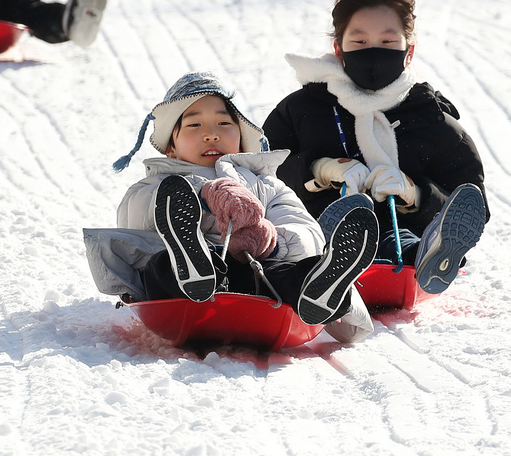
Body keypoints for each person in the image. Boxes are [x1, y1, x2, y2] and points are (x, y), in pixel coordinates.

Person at [86, 72, 377, 335]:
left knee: (300, 269)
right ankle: (195, 265)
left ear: (241, 139)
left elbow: (305, 229)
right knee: (162, 265)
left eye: (224, 123)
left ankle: (319, 290)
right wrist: (202, 198)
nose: (211, 133)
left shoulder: (265, 184)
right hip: (191, 288)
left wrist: (272, 242)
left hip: (261, 278)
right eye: (194, 124)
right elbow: (134, 217)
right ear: (171, 148)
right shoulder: (158, 183)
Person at [262, 0, 488, 295]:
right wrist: (318, 169)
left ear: (409, 50)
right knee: (296, 244)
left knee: (404, 240)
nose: (373, 53)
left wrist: (415, 193)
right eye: (359, 41)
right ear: (338, 48)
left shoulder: (433, 121)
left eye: (387, 42)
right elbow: (259, 176)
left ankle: (429, 259)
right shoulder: (300, 110)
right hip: (312, 231)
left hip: (397, 236)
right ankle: (326, 267)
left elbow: (469, 202)